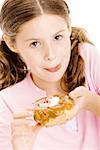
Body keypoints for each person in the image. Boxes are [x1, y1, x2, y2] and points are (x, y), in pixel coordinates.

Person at [0, 0, 100, 149]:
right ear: (12, 44)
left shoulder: (87, 58)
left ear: (68, 29)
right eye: (35, 43)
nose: (51, 55)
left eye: (57, 37)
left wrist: (89, 101)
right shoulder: (6, 104)